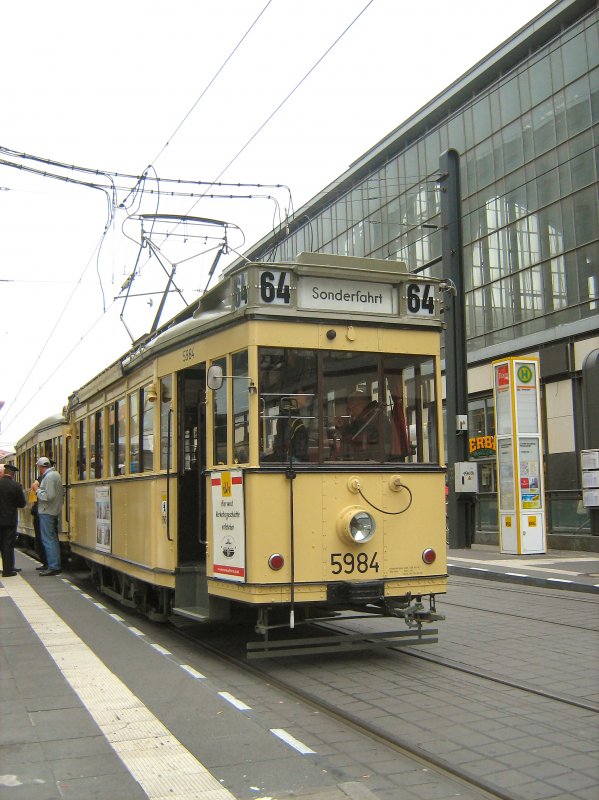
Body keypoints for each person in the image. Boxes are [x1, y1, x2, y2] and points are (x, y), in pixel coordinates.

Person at [32, 456, 64, 576]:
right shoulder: (55, 475)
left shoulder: (49, 477)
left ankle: (53, 566)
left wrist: (37, 490)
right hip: (53, 510)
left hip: (47, 511)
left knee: (48, 540)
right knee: (52, 539)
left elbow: (48, 496)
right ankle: (54, 564)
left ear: (41, 467)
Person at [337, 391, 389, 460]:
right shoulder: (365, 416)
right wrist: (343, 426)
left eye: (351, 409)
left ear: (359, 405)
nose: (350, 413)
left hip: (373, 460)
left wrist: (344, 428)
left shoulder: (374, 417)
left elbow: (359, 438)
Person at [0, 463, 26, 577]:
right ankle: (8, 570)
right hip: (9, 520)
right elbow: (22, 503)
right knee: (8, 544)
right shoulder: (16, 486)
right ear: (13, 474)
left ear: (5, 472)